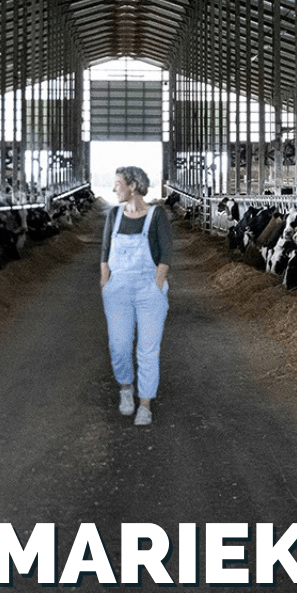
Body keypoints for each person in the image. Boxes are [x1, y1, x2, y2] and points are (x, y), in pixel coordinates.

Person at [100, 166, 173, 426]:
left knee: (148, 349)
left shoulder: (156, 215)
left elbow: (165, 253)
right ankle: (125, 388)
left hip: (148, 290)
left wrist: (157, 284)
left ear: (132, 186)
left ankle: (145, 403)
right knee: (119, 345)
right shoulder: (114, 215)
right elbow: (105, 252)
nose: (113, 189)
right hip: (117, 289)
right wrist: (105, 284)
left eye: (118, 183)